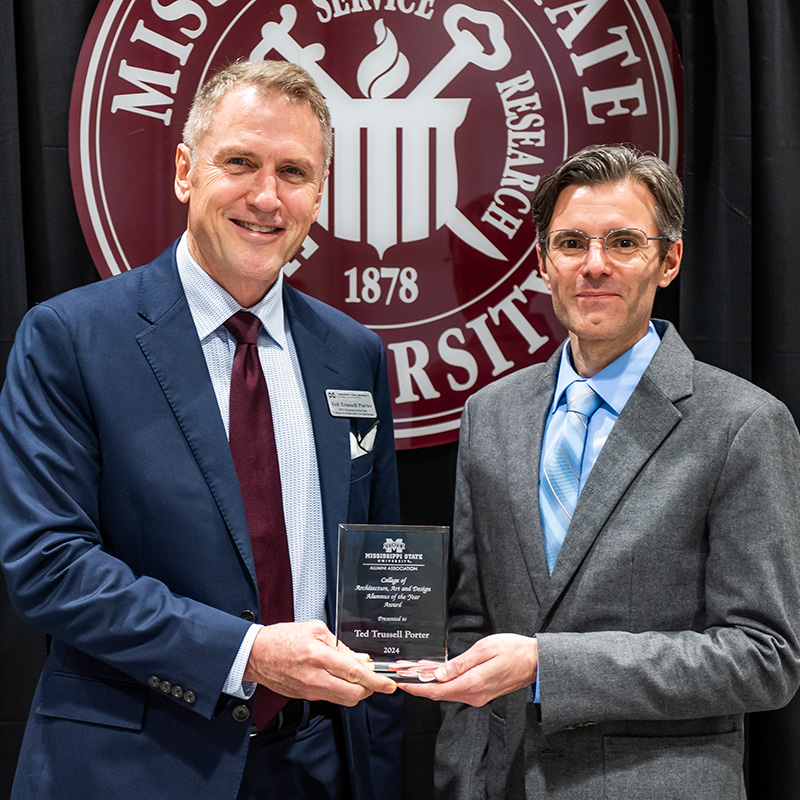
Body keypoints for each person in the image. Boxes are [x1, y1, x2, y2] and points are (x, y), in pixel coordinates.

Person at [0, 60, 403, 800]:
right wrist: (247, 653)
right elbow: (49, 564)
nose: (265, 196)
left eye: (294, 172)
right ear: (186, 170)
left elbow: (373, 580)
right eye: (241, 162)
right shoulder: (70, 338)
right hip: (137, 768)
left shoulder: (354, 353)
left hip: (320, 764)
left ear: (320, 193)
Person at [401, 144, 800, 798]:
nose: (594, 266)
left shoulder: (742, 425)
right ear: (541, 263)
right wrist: (459, 773)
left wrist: (545, 667)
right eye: (571, 243)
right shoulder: (490, 415)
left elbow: (764, 658)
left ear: (668, 260)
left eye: (622, 242)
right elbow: (471, 620)